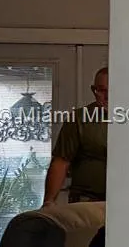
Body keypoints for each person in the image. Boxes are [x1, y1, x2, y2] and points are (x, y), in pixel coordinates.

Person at [44, 68, 108, 204]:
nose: (108, 96)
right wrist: (49, 201)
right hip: (87, 200)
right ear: (94, 90)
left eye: (114, 90)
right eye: (102, 90)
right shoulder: (78, 118)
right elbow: (61, 162)